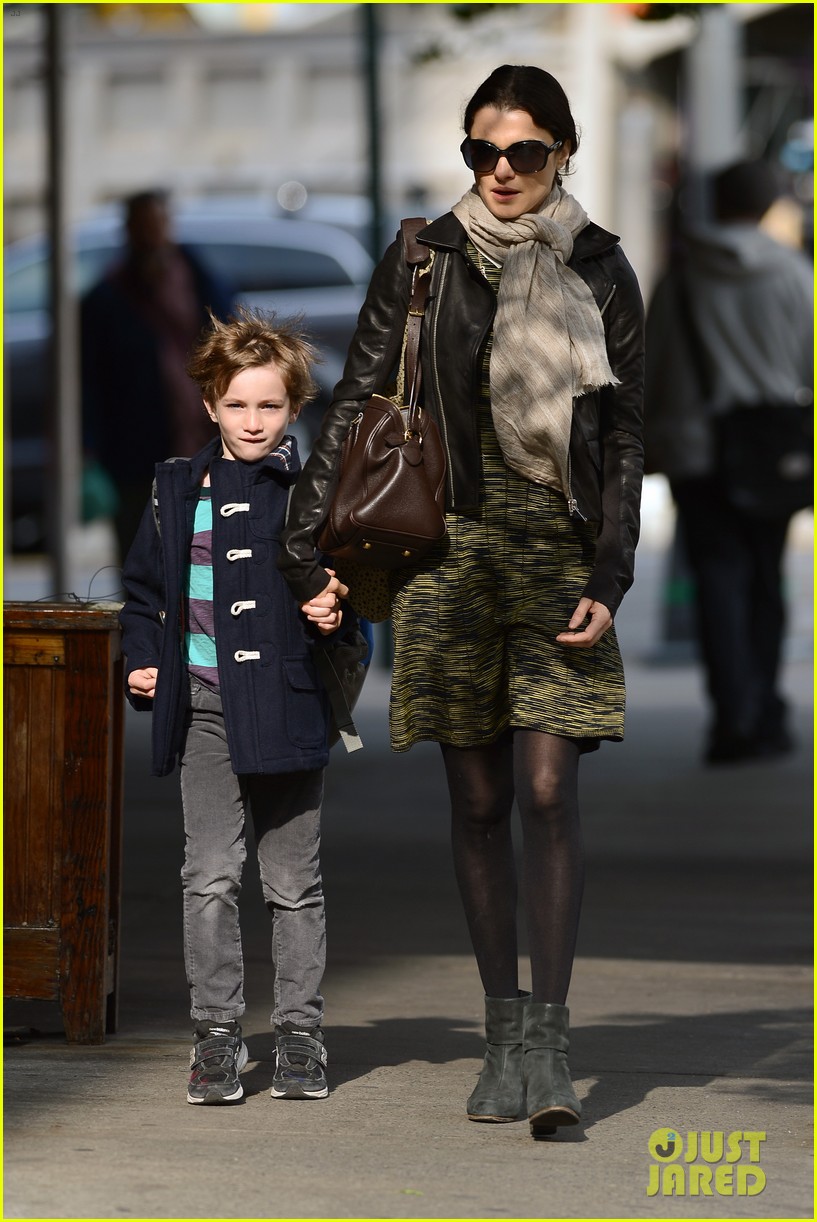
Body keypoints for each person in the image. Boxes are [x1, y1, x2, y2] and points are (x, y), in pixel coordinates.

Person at [280, 64, 644, 1136]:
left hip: (555, 551)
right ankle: (499, 1034)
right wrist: (309, 546)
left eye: (522, 152)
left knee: (543, 789)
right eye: (480, 151)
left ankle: (552, 1041)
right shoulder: (422, 259)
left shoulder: (600, 267)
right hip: (446, 555)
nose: (498, 172)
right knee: (480, 801)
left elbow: (623, 436)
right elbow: (355, 400)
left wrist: (611, 574)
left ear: (560, 154)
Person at [119, 307, 352, 1105]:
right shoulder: (175, 491)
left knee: (292, 882)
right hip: (207, 709)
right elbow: (144, 593)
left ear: (295, 408)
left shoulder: (313, 492)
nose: (253, 422)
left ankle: (298, 1036)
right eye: (238, 404)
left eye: (271, 406)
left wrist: (334, 608)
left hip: (287, 708)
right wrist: (147, 661)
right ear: (210, 405)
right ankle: (217, 1036)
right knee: (209, 875)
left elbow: (347, 592)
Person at [643, 160, 813, 764]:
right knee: (767, 579)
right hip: (772, 451)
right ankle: (766, 709)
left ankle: (731, 715)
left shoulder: (683, 278)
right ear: (770, 203)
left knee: (718, 578)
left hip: (699, 452)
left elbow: (652, 368)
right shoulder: (797, 275)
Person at [82, 190, 235, 561]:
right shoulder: (106, 299)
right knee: (143, 555)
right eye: (144, 226)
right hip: (136, 453)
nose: (153, 235)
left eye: (159, 224)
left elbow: (234, 347)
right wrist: (89, 455)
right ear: (129, 231)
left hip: (203, 440)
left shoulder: (201, 280)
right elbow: (87, 385)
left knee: (206, 552)